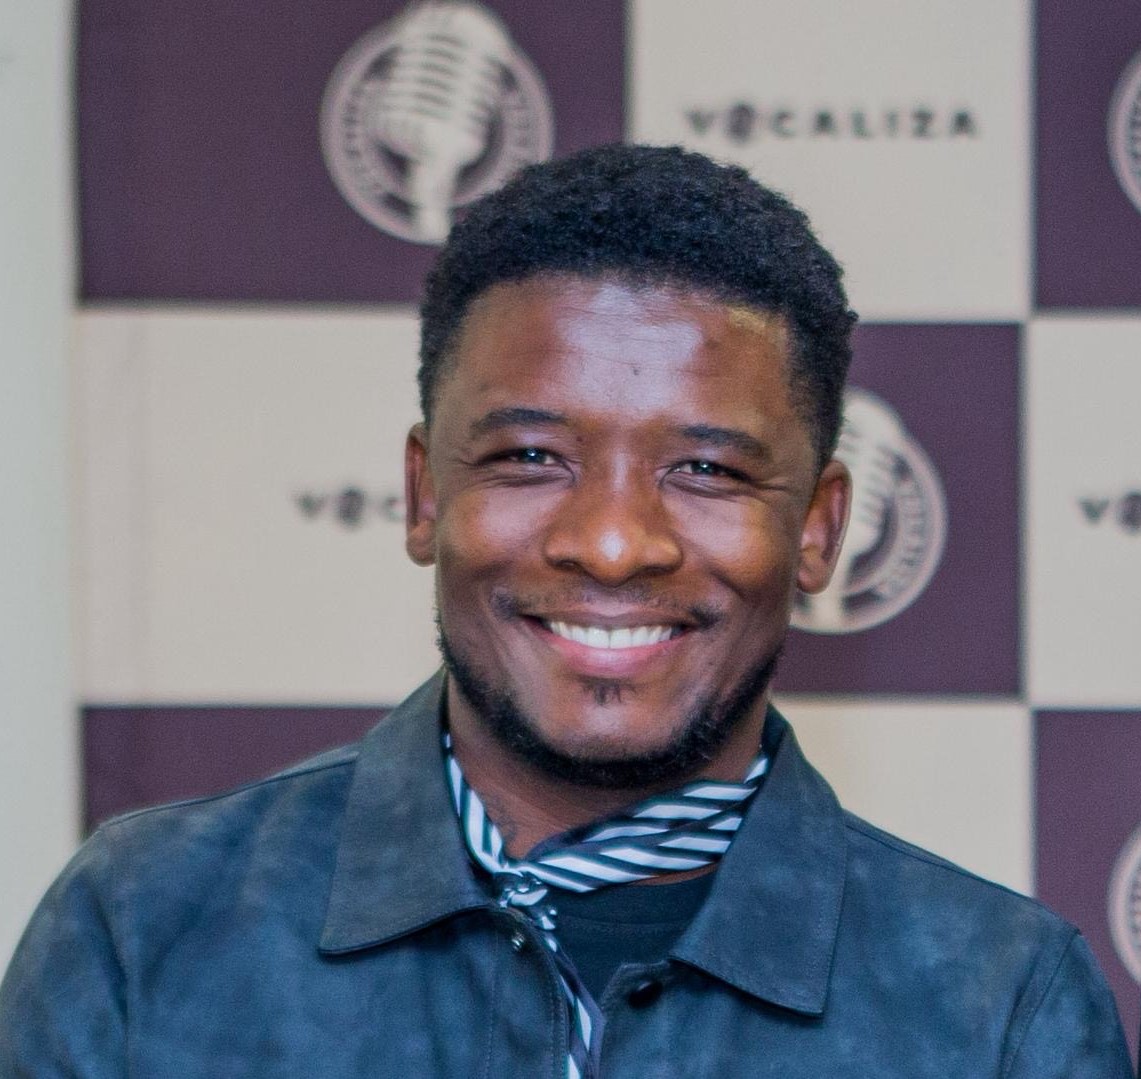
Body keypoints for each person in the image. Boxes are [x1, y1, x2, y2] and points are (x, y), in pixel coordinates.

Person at [0, 144, 1132, 1078]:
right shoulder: (144, 928)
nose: (612, 540)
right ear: (423, 496)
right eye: (531, 456)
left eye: (706, 470)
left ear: (819, 528)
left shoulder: (999, 1009)